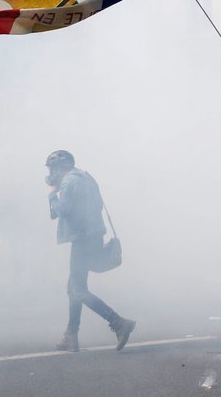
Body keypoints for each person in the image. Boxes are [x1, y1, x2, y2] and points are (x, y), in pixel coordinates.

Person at [45, 150, 135, 353]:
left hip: (82, 239)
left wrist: (52, 194)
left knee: (78, 290)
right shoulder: (85, 177)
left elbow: (63, 211)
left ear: (61, 168)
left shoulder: (69, 181)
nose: (51, 173)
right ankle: (71, 335)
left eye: (52, 168)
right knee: (73, 288)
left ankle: (118, 322)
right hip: (91, 236)